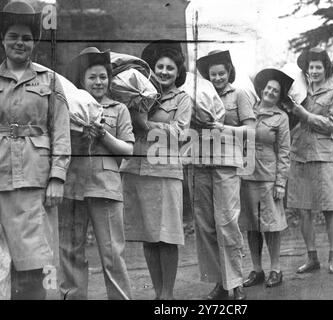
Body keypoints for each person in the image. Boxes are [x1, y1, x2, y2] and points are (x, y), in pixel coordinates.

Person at [0, 1, 71, 299]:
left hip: (36, 181)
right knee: (4, 263)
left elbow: (61, 131)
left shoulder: (50, 80)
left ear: (34, 43)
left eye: (26, 38)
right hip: (1, 179)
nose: (20, 42)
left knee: (39, 262)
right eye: (13, 36)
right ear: (3, 40)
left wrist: (57, 177)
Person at [58, 47, 135, 300]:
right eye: (92, 77)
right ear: (82, 81)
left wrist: (103, 134)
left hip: (105, 188)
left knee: (112, 255)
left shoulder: (118, 109)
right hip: (73, 187)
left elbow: (128, 150)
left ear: (109, 79)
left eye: (103, 76)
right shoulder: (68, 109)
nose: (99, 82)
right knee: (71, 252)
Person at [120, 41, 192, 300]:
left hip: (164, 173)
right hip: (136, 170)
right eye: (159, 66)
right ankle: (158, 294)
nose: (163, 72)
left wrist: (145, 123)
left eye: (170, 68)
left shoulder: (182, 99)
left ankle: (168, 295)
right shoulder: (136, 94)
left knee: (167, 235)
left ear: (177, 72)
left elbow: (180, 133)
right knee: (148, 236)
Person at [193, 50, 256, 300]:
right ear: (207, 76)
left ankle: (236, 283)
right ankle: (220, 283)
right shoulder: (199, 97)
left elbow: (251, 131)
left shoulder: (239, 94)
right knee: (206, 225)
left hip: (227, 164)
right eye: (213, 74)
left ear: (229, 72)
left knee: (227, 223)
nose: (218, 78)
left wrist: (223, 128)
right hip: (200, 164)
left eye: (222, 73)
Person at [287, 47, 333, 274]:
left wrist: (306, 115)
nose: (314, 71)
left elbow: (332, 124)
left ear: (326, 68)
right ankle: (312, 257)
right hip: (299, 153)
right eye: (311, 67)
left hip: (323, 155)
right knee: (303, 209)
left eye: (318, 67)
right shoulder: (298, 90)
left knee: (330, 208)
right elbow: (288, 118)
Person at [240, 69, 292, 288]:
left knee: (272, 225)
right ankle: (256, 269)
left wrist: (281, 183)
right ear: (262, 90)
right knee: (252, 225)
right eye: (268, 88)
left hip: (269, 178)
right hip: (246, 175)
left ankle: (276, 269)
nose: (270, 92)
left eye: (275, 90)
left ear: (279, 96)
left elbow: (285, 152)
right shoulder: (248, 111)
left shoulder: (281, 118)